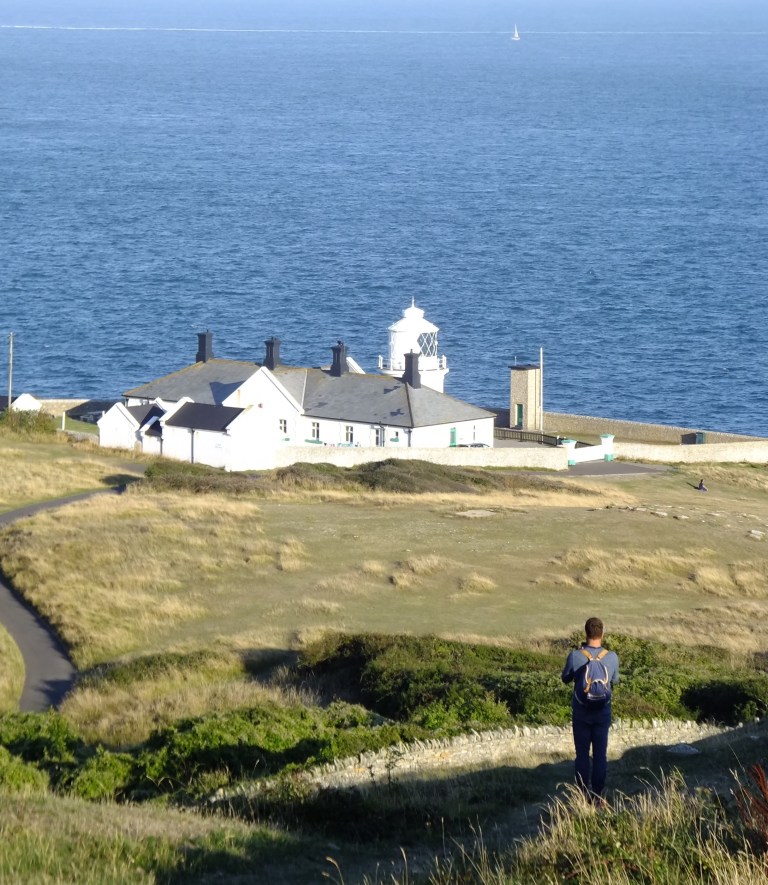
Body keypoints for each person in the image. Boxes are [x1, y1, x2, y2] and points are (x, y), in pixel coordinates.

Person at [561, 617, 620, 802]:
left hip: (581, 713)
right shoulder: (612, 657)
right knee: (600, 755)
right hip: (603, 713)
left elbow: (565, 679)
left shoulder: (575, 656)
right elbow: (615, 680)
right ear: (602, 634)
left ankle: (581, 794)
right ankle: (598, 794)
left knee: (582, 755)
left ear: (585, 633)